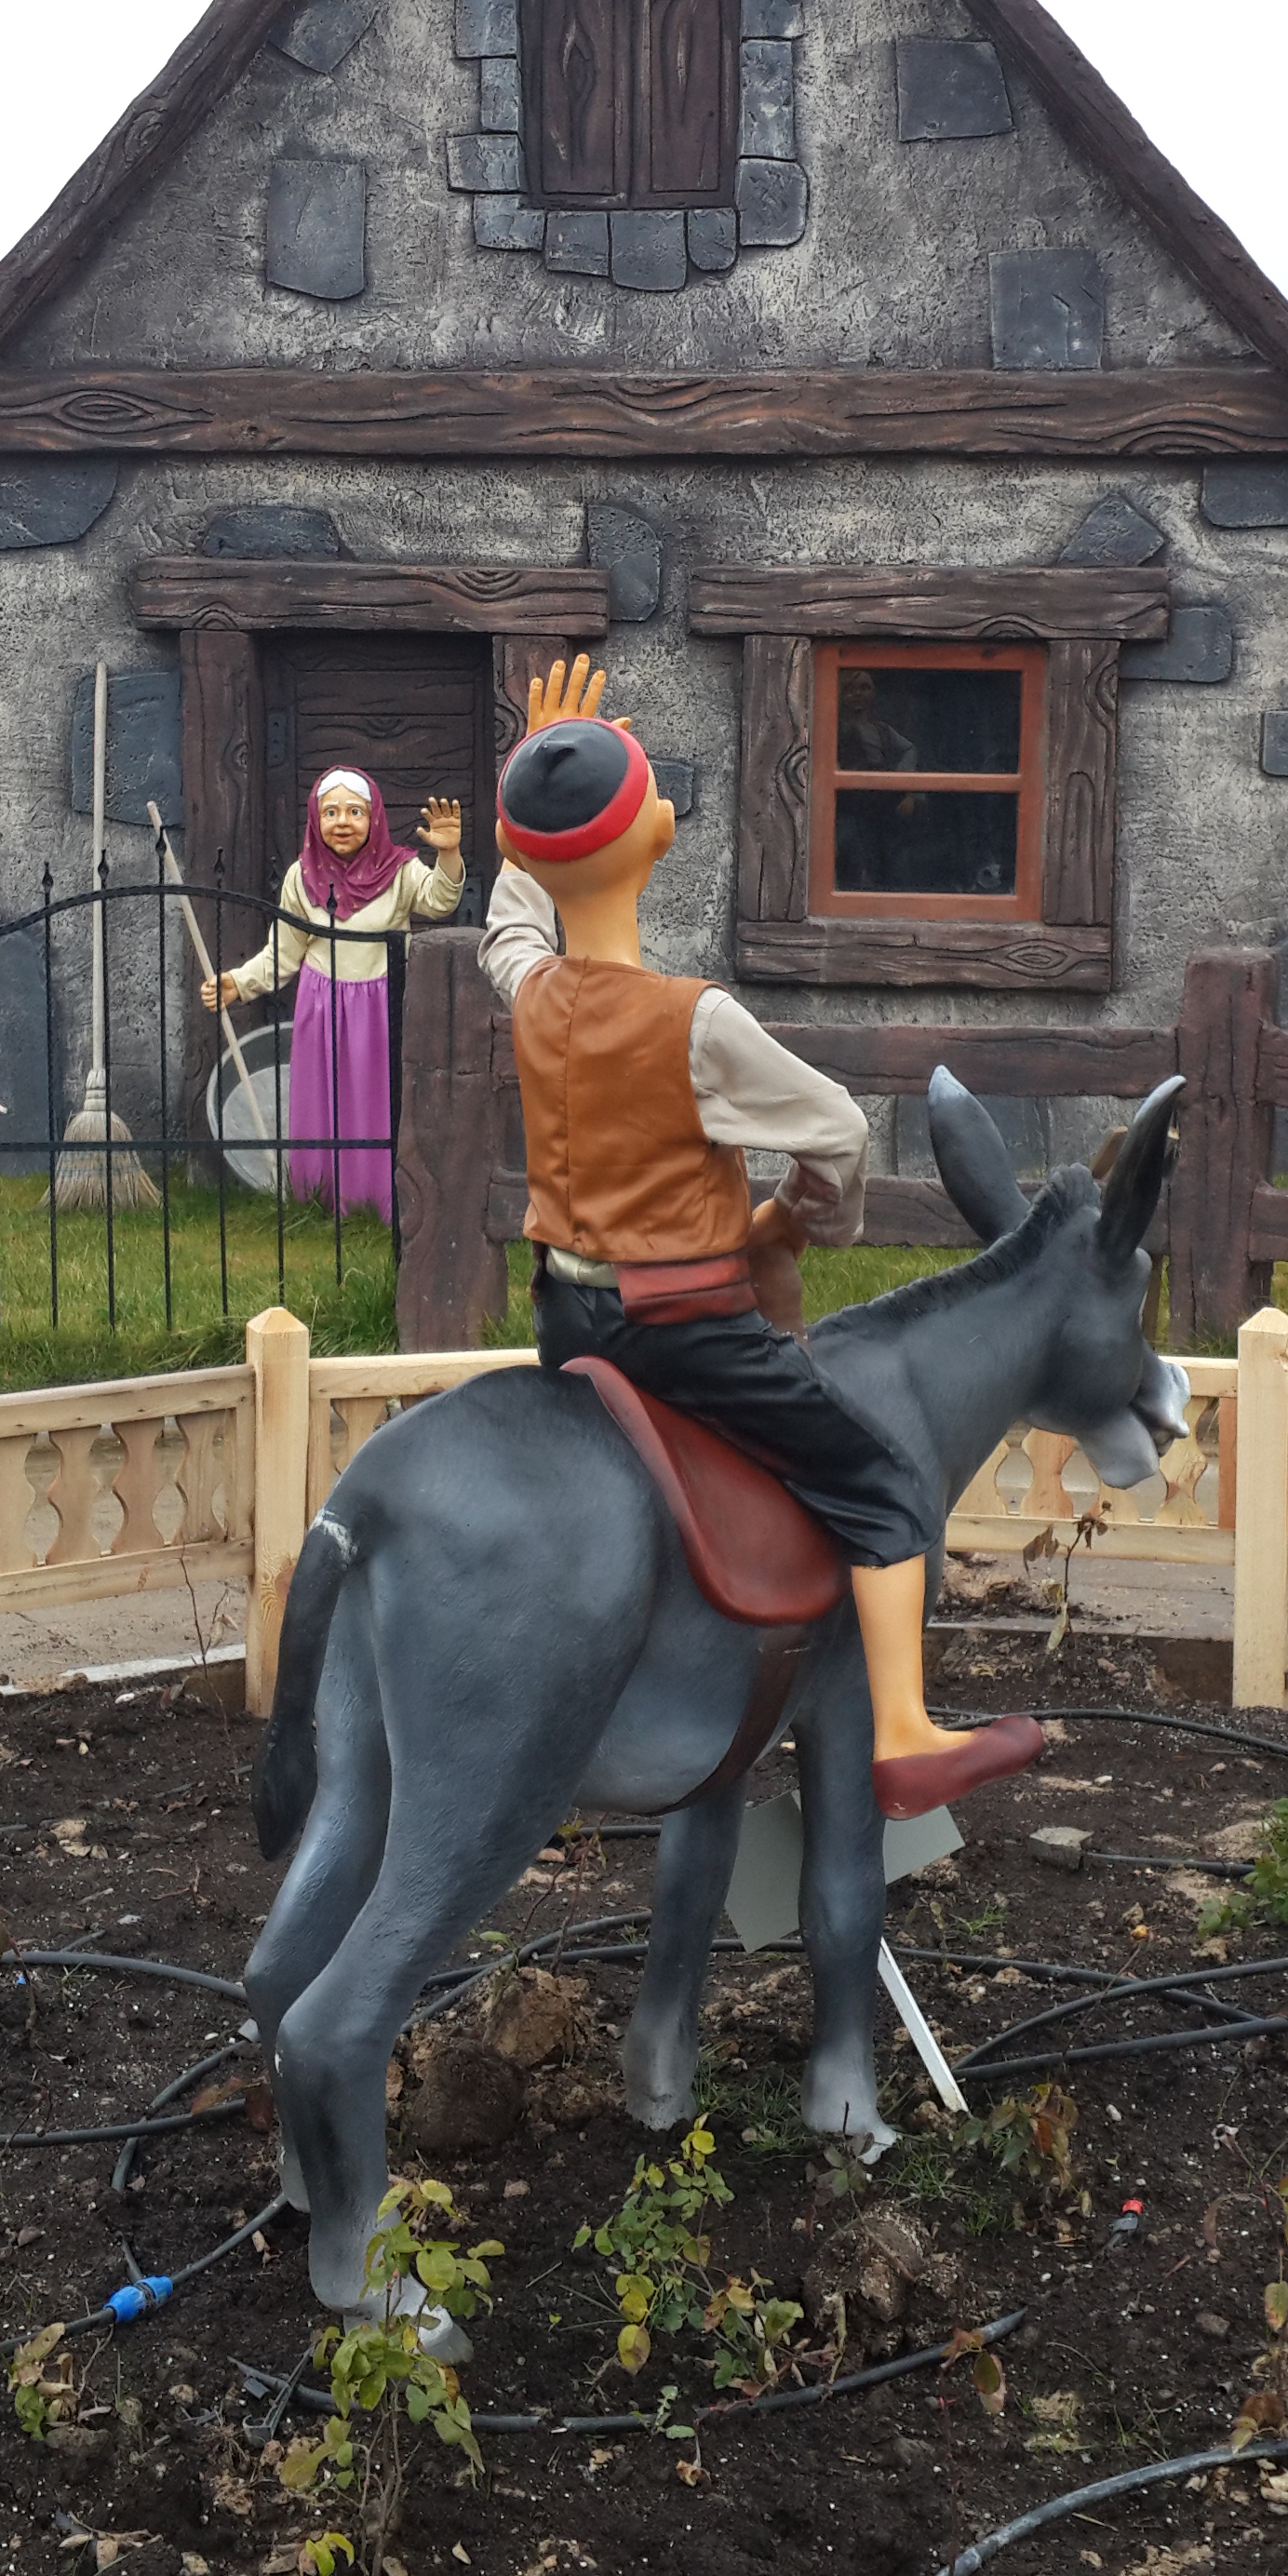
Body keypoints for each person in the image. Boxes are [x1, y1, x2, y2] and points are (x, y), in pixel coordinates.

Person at [478, 658, 1023, 1815]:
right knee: (884, 1485)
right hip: (682, 1332)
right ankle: (904, 1732)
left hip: (566, 1319)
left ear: (529, 850)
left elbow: (509, 923)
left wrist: (530, 789)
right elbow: (838, 1130)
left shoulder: (531, 990)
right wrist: (793, 1223)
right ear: (657, 834)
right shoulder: (697, 1022)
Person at [202, 768, 463, 1215]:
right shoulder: (301, 877)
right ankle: (321, 1199)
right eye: (331, 812)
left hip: (383, 1003)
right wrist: (239, 983)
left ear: (373, 817)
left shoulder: (400, 871)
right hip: (322, 1005)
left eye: (355, 812)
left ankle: (384, 1199)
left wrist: (449, 854)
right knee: (324, 1099)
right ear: (315, 818)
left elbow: (440, 901)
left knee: (381, 1099)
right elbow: (283, 953)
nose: (342, 822)